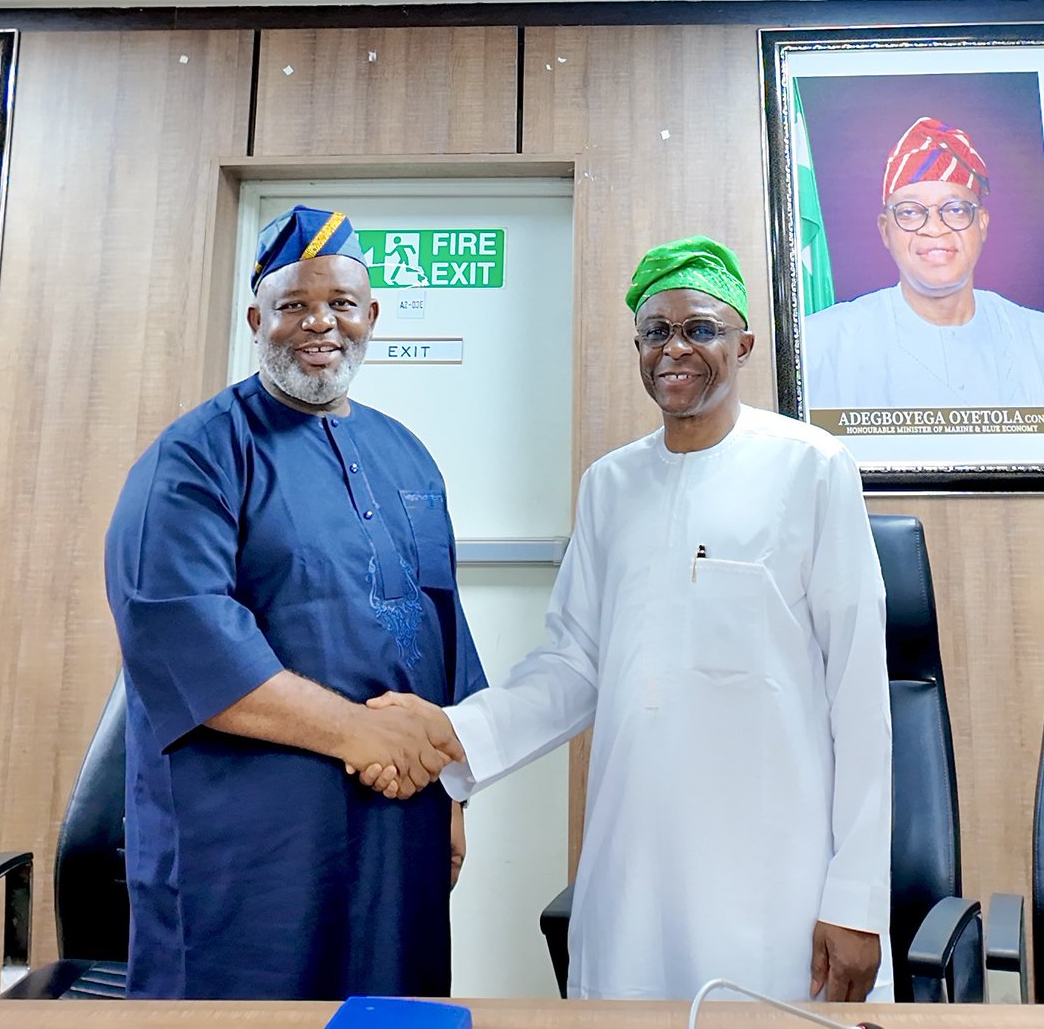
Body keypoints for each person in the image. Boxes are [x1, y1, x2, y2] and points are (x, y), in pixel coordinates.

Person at [363, 237, 893, 1003]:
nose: (674, 348)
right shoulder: (609, 484)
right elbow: (573, 665)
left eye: (699, 328)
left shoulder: (810, 468)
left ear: (742, 344)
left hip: (772, 879)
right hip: (631, 868)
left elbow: (859, 697)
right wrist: (452, 735)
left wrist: (854, 899)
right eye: (654, 332)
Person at [105, 204, 485, 999]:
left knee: (390, 1010)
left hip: (397, 831)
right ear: (256, 318)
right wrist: (363, 736)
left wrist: (451, 795)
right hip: (247, 843)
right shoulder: (194, 458)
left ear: (370, 315)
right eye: (294, 305)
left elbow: (442, 641)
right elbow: (191, 646)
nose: (321, 324)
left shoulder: (405, 452)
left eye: (342, 304)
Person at [803, 116, 1044, 409]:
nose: (934, 228)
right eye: (909, 212)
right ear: (885, 230)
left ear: (981, 223)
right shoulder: (819, 345)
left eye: (954, 209)